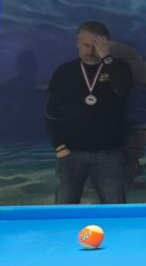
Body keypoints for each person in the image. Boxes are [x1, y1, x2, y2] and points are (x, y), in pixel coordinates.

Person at [44, 21, 133, 204]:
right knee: (64, 209)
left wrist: (106, 57)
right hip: (71, 154)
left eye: (95, 46)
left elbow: (122, 89)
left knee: (114, 209)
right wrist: (59, 147)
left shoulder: (119, 68)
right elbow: (50, 113)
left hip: (109, 154)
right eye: (85, 45)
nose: (90, 51)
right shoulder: (65, 72)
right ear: (77, 44)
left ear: (106, 45)